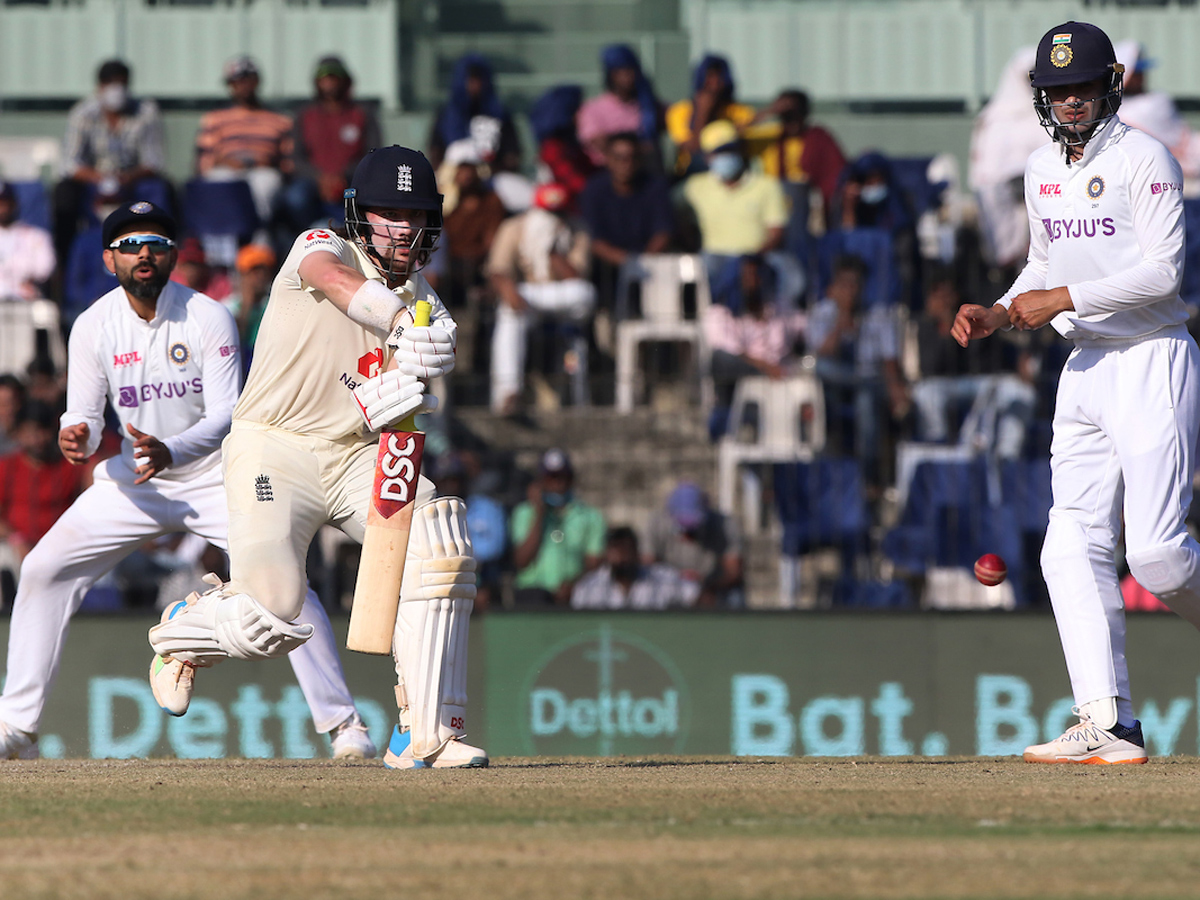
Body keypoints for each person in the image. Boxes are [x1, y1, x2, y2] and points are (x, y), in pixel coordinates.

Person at [146, 146, 487, 770]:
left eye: (414, 213)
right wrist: (399, 322)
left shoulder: (428, 305)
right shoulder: (319, 243)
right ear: (360, 214)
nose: (402, 227)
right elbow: (337, 281)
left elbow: (405, 396)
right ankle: (185, 631)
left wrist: (417, 375)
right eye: (388, 211)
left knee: (440, 535)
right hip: (274, 448)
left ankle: (426, 730)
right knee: (275, 612)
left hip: (356, 458)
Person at [0, 201, 373, 761]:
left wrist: (173, 448)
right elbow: (81, 413)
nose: (143, 253)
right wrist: (73, 432)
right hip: (135, 481)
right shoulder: (93, 325)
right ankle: (18, 728)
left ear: (173, 255)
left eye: (154, 242)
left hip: (213, 477)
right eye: (129, 245)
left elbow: (229, 413)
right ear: (107, 260)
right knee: (43, 568)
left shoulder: (208, 316)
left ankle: (343, 725)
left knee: (286, 585)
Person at [951, 21, 1194, 765]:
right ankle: (1108, 724)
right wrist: (999, 309)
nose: (1071, 101)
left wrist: (1062, 296)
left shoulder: (1145, 158)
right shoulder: (1038, 169)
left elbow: (1165, 273)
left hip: (1152, 358)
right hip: (1084, 368)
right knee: (1069, 546)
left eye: (1082, 87)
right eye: (1057, 91)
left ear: (1111, 83)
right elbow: (1043, 260)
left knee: (1157, 558)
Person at [486, 182, 596, 415]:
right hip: (527, 298)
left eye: (558, 213)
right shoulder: (514, 226)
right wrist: (510, 293)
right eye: (548, 213)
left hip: (565, 300)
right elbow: (498, 270)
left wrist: (552, 251)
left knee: (586, 293)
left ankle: (578, 398)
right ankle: (508, 393)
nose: (552, 218)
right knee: (508, 314)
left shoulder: (577, 229)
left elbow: (576, 277)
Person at [909, 268, 1036, 458]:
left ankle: (1007, 457)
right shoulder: (923, 323)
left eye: (948, 294)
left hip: (982, 381)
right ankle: (937, 453)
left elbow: (996, 349)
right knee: (925, 393)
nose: (944, 301)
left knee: (1021, 393)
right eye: (938, 295)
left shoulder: (973, 313)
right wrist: (943, 329)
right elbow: (929, 368)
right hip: (944, 385)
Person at [54, 60, 168, 268]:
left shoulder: (146, 112)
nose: (117, 90)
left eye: (121, 83)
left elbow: (154, 161)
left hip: (132, 180)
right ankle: (64, 262)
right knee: (64, 194)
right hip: (92, 180)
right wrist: (99, 177)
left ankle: (164, 251)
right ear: (100, 87)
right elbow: (69, 163)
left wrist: (127, 177)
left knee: (162, 189)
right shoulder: (83, 114)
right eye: (110, 83)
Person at [806, 253, 906, 484]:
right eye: (845, 284)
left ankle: (866, 477)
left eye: (855, 284)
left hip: (872, 387)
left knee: (866, 400)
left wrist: (894, 389)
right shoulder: (821, 313)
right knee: (822, 368)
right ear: (834, 286)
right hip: (833, 387)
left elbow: (889, 361)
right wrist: (842, 320)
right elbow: (821, 355)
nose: (850, 290)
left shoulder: (879, 315)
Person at [703, 255, 807, 433]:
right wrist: (766, 368)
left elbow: (806, 333)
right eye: (747, 276)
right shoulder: (719, 313)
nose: (753, 282)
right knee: (720, 360)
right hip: (743, 384)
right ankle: (735, 425)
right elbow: (729, 354)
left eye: (757, 275)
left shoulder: (781, 307)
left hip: (784, 378)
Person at [682, 120, 787, 287]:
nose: (726, 157)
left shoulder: (767, 185)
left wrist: (753, 258)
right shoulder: (693, 187)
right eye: (718, 152)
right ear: (707, 157)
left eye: (730, 150)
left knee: (789, 273)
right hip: (713, 257)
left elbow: (776, 232)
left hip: (757, 257)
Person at [194, 56, 295, 229]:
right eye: (237, 82)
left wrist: (270, 163)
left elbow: (289, 161)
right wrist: (225, 162)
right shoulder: (214, 119)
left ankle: (258, 240)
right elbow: (204, 161)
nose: (243, 86)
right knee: (219, 182)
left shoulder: (279, 120)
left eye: (247, 80)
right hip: (227, 170)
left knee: (264, 186)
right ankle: (225, 239)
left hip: (263, 171)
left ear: (256, 82)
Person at [579, 132, 674, 313]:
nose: (625, 163)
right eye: (619, 157)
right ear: (607, 159)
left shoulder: (655, 186)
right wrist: (629, 264)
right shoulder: (594, 190)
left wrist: (643, 263)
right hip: (607, 268)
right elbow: (594, 240)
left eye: (631, 157)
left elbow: (663, 232)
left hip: (650, 264)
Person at [290, 55, 382, 226]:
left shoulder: (362, 114)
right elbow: (297, 158)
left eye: (334, 76)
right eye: (324, 77)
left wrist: (343, 176)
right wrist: (320, 178)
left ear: (346, 81)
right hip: (313, 184)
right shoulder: (305, 115)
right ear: (317, 82)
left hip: (350, 182)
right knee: (295, 198)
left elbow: (373, 154)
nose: (329, 82)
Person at [510, 448, 606, 608]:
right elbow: (521, 560)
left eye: (563, 477)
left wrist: (574, 584)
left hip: (575, 594)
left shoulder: (591, 516)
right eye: (551, 478)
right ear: (540, 481)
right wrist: (539, 514)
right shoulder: (524, 513)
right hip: (533, 593)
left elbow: (594, 563)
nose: (557, 484)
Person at [744, 88, 847, 220]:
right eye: (786, 117)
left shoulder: (818, 137)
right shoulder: (771, 136)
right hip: (774, 202)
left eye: (795, 116)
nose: (791, 123)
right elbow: (731, 135)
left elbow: (836, 173)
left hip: (808, 204)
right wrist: (770, 110)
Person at [645, 481, 744, 609]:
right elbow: (647, 566)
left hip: (713, 587)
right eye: (683, 528)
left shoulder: (725, 526)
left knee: (735, 596)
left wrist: (708, 587)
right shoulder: (656, 524)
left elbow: (733, 572)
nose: (688, 533)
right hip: (668, 585)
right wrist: (677, 578)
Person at [1114, 41, 1200, 182]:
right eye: (1136, 73)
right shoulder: (1146, 104)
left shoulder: (1154, 100)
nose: (1142, 76)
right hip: (1161, 176)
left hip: (1187, 175)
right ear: (1127, 77)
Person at [665, 54, 757, 178]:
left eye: (719, 77)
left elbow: (743, 150)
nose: (714, 83)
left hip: (732, 172)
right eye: (709, 76)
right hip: (692, 173)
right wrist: (702, 112)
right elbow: (693, 148)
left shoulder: (740, 111)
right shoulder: (679, 111)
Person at [577, 45, 663, 169]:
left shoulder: (647, 106)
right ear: (611, 75)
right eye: (621, 72)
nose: (627, 77)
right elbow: (599, 142)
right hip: (605, 172)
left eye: (630, 71)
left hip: (643, 172)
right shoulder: (592, 109)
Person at [571, 526, 692, 610]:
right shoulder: (588, 586)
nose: (623, 555)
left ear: (636, 552)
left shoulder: (662, 579)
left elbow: (693, 594)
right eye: (616, 549)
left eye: (627, 548)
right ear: (606, 554)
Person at [0, 182, 55, 302]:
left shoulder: (35, 236)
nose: (2, 209)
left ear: (13, 204)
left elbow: (45, 268)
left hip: (26, 302)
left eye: (5, 203)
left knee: (44, 312)